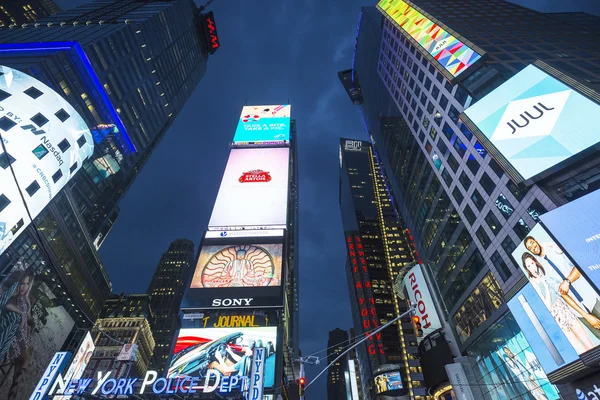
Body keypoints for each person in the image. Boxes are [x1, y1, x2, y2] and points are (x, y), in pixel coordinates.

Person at [521, 252, 598, 353]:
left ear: (535, 262)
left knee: (587, 340)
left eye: (532, 263)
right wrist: (544, 285)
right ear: (526, 268)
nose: (532, 267)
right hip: (555, 315)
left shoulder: (542, 273)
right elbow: (547, 306)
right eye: (528, 266)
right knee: (577, 345)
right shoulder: (533, 283)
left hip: (563, 308)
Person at [2, 268, 35, 399]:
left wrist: (32, 323)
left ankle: (13, 391)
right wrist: (21, 313)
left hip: (22, 337)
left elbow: (29, 317)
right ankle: (12, 392)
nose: (24, 287)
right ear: (19, 283)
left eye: (27, 284)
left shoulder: (26, 301)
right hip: (13, 337)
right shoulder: (16, 297)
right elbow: (7, 306)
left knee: (25, 359)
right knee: (26, 359)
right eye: (22, 283)